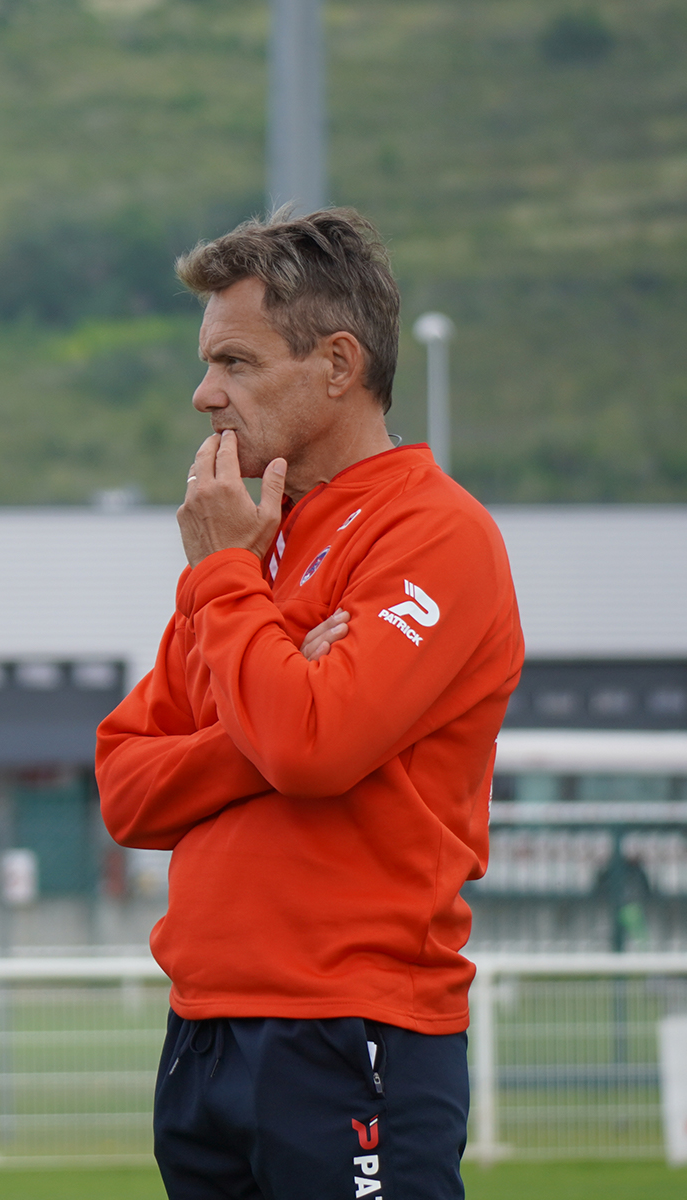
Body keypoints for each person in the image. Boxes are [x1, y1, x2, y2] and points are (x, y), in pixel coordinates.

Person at [97, 209, 523, 1199]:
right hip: (203, 1030)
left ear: (338, 364)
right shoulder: (244, 549)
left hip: (350, 1028)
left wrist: (251, 653)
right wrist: (267, 712)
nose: (205, 395)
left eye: (236, 362)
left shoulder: (434, 536)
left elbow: (311, 748)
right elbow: (125, 790)